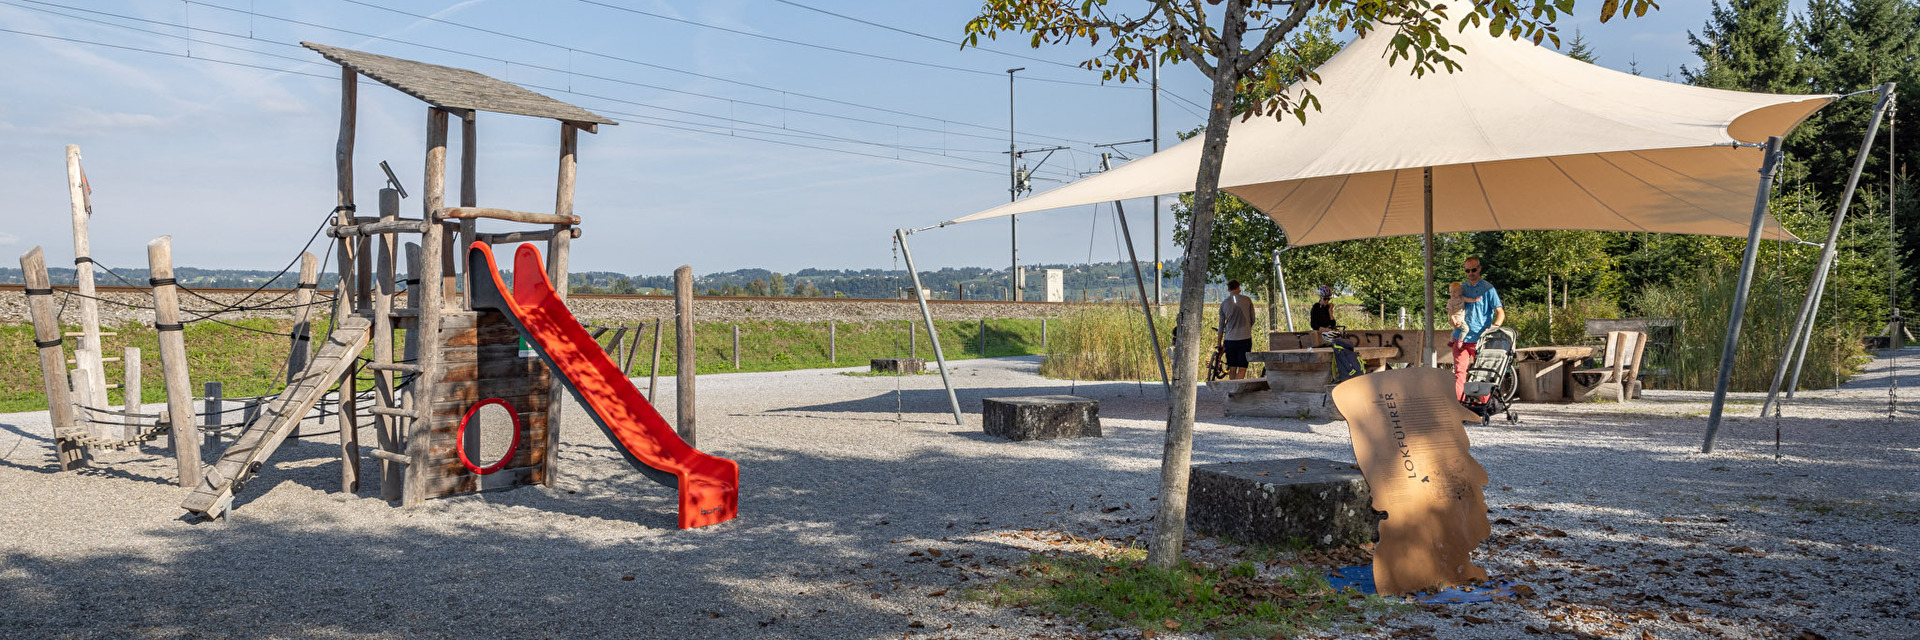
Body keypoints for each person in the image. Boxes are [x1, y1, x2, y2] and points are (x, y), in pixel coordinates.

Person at [1451, 257, 1505, 401]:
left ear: (1480, 268)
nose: (1470, 273)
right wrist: (1453, 319)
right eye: (1467, 271)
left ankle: (1485, 406)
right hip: (1460, 337)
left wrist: (1496, 326)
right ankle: (1459, 408)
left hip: (1480, 339)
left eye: (1473, 270)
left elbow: (1500, 312)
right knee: (1460, 374)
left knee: (1482, 374)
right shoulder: (1461, 288)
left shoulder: (1488, 289)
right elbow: (1453, 307)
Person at [1218, 280, 1256, 380]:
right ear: (1238, 287)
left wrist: (1219, 342)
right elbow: (1253, 319)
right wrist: (1246, 327)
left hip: (1230, 339)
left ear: (1228, 289)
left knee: (1232, 367)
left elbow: (1221, 326)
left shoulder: (1224, 304)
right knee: (1243, 367)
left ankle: (1233, 389)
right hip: (1245, 338)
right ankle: (1238, 389)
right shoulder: (1247, 300)